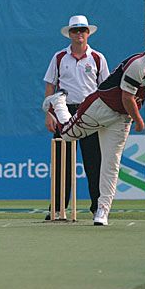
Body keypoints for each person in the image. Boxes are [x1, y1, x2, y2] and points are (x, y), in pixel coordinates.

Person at [48, 31, 145, 226]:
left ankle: (102, 211)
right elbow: (127, 97)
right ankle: (59, 103)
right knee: (66, 135)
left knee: (111, 163)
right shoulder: (138, 64)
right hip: (101, 107)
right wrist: (139, 120)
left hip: (121, 118)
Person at [42, 15, 109, 220]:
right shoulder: (59, 57)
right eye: (75, 30)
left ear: (88, 33)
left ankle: (98, 208)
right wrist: (49, 113)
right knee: (62, 161)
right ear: (69, 34)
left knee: (94, 162)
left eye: (82, 30)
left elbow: (105, 88)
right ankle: (58, 209)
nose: (79, 33)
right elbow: (50, 86)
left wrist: (104, 116)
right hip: (64, 111)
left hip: (90, 111)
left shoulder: (97, 57)